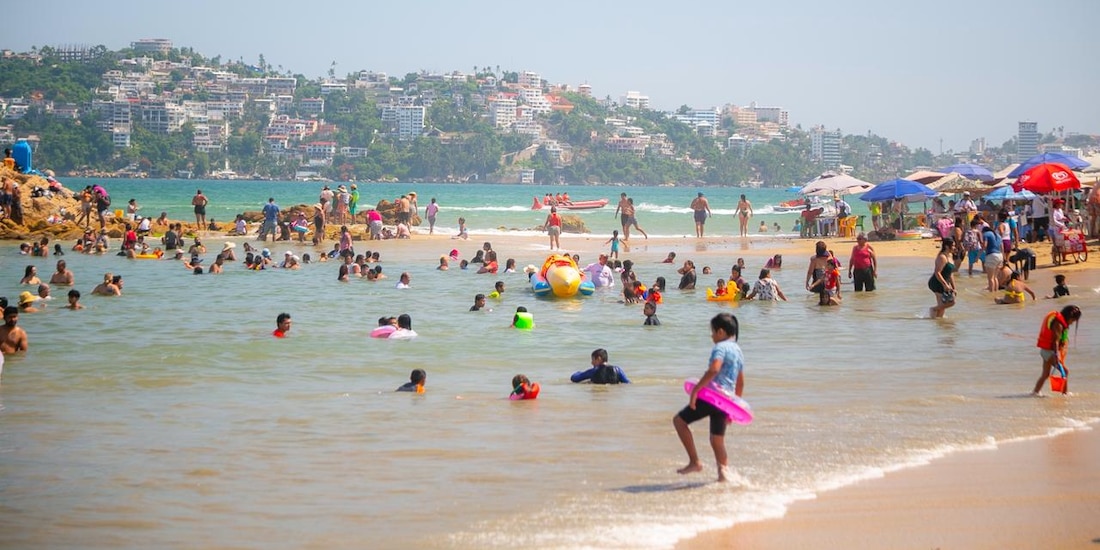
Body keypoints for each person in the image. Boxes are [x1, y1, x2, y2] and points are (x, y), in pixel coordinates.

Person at [674, 313, 745, 483]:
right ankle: (723, 474)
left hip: (713, 397)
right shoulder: (738, 350)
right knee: (717, 439)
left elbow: (714, 369)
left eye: (712, 332)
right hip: (726, 401)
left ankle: (694, 462)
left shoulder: (720, 347)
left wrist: (696, 390)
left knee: (679, 421)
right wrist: (734, 407)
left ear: (720, 332)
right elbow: (741, 382)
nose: (711, 336)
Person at [1032, 305, 1082, 396]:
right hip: (1049, 352)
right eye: (1073, 320)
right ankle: (1065, 394)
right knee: (1065, 371)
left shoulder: (1058, 321)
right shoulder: (1058, 324)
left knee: (1045, 375)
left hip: (1045, 351)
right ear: (1069, 317)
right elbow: (1055, 341)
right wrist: (1056, 354)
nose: (1072, 323)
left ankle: (1035, 393)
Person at [928, 238, 957, 319]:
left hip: (944, 282)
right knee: (951, 302)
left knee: (942, 306)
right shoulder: (942, 257)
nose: (954, 248)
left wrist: (954, 287)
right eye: (953, 246)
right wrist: (945, 285)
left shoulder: (950, 256)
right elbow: (937, 272)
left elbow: (950, 273)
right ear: (947, 246)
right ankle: (933, 309)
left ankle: (937, 320)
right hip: (936, 282)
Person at [982, 222, 1004, 293]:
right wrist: (1003, 258)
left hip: (992, 256)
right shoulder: (998, 235)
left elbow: (985, 245)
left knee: (990, 278)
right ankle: (996, 292)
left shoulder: (986, 234)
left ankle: (991, 294)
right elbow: (1002, 248)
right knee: (995, 277)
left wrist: (978, 255)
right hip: (1000, 255)